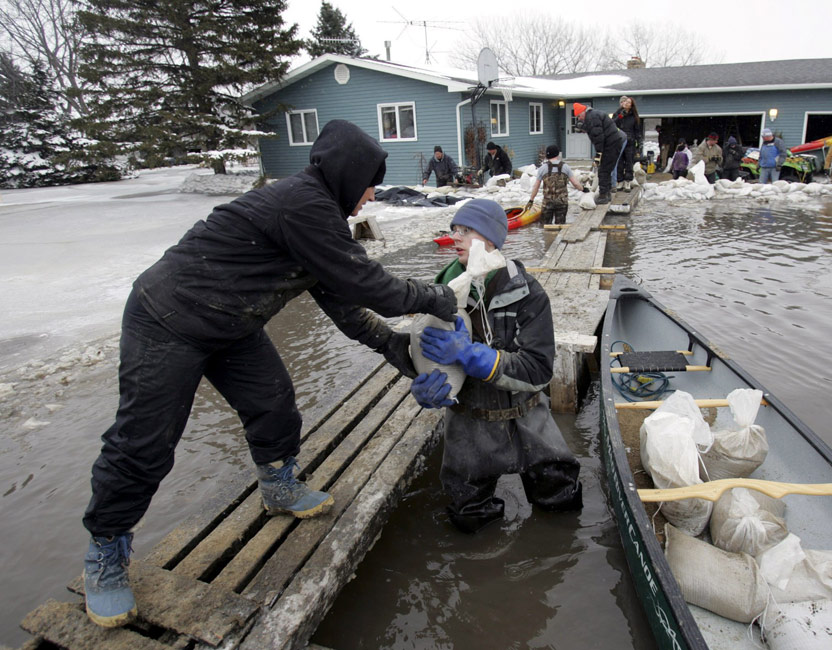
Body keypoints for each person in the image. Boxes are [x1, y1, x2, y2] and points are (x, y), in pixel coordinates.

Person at [80, 120, 457, 628]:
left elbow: (343, 301)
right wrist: (435, 297)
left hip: (230, 323)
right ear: (347, 173)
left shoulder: (319, 217)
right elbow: (371, 285)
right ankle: (105, 550)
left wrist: (393, 346)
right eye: (370, 180)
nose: (372, 192)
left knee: (274, 403)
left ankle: (277, 486)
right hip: (166, 319)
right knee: (145, 442)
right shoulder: (302, 204)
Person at [410, 199, 583, 533]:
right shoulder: (439, 295)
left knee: (561, 498)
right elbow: (420, 352)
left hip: (529, 418)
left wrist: (472, 355)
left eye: (466, 230)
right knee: (469, 518)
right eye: (454, 230)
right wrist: (424, 385)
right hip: (468, 425)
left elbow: (538, 370)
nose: (455, 238)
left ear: (490, 239)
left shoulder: (527, 294)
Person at [572, 102, 626, 205]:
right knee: (607, 169)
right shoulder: (594, 115)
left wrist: (599, 153)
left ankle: (603, 195)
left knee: (603, 170)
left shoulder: (591, 119)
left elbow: (598, 137)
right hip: (614, 143)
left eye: (579, 116)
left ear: (583, 112)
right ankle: (607, 193)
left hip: (610, 145)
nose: (579, 118)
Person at [525, 144, 586, 225]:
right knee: (560, 227)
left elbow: (536, 186)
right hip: (562, 203)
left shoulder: (542, 168)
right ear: (557, 154)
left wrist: (531, 200)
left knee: (545, 227)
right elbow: (575, 183)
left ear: (547, 155)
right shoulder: (565, 167)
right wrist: (583, 189)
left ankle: (547, 237)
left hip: (547, 203)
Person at [612, 96, 642, 191]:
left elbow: (637, 130)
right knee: (619, 161)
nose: (626, 103)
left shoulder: (634, 116)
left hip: (630, 141)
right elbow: (612, 124)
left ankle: (628, 181)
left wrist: (639, 142)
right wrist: (621, 115)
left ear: (631, 105)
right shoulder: (618, 113)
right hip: (619, 140)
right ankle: (620, 181)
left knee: (629, 162)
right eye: (625, 102)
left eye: (628, 102)